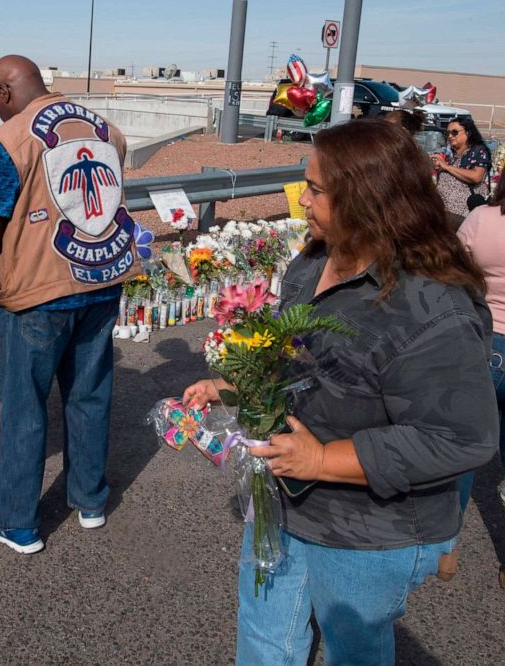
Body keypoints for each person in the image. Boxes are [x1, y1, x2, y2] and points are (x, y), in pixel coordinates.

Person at [183, 119, 498, 665]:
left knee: (352, 653)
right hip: (283, 502)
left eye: (316, 189)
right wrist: (233, 385)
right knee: (264, 639)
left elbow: (462, 438)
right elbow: (296, 358)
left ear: (366, 198)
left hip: (368, 531)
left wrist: (323, 459)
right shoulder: (311, 263)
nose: (301, 199)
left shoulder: (431, 305)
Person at [0, 55, 139, 553]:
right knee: (89, 394)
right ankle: (89, 500)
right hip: (101, 281)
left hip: (38, 294)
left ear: (4, 93)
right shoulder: (107, 130)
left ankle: (17, 521)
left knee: (24, 404)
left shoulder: (10, 138)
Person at [457, 174, 505, 587]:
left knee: (464, 447)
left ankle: (445, 544)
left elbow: (453, 272)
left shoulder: (481, 218)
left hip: (484, 341)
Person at [433, 115, 491, 226]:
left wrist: (446, 167)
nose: (450, 136)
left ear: (468, 133)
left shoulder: (477, 151)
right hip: (444, 214)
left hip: (462, 217)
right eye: (447, 133)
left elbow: (476, 176)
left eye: (454, 132)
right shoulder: (454, 156)